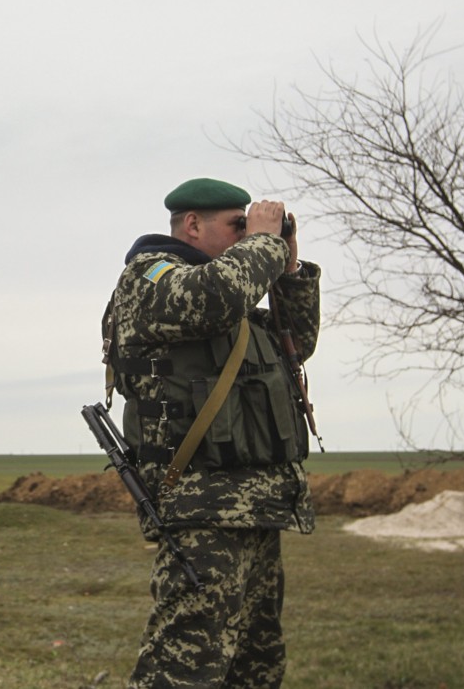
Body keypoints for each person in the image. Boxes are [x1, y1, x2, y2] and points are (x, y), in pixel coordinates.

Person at [101, 178, 320, 688]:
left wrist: (287, 270)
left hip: (255, 504)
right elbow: (216, 296)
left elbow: (295, 343)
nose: (249, 237)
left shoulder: (231, 292)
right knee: (185, 665)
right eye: (238, 226)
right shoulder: (151, 279)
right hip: (200, 506)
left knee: (256, 661)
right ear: (192, 225)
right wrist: (263, 246)